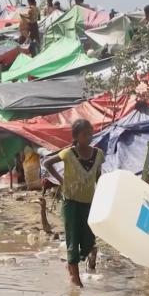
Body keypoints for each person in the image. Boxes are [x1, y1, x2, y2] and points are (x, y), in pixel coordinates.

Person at [43, 119, 105, 287]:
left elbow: (98, 175)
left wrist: (102, 190)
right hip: (70, 202)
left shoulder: (98, 154)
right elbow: (47, 163)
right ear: (76, 136)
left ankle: (71, 265)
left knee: (89, 241)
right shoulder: (68, 153)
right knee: (73, 238)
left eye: (90, 133)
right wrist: (60, 180)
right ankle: (75, 277)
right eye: (85, 134)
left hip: (89, 202)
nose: (89, 136)